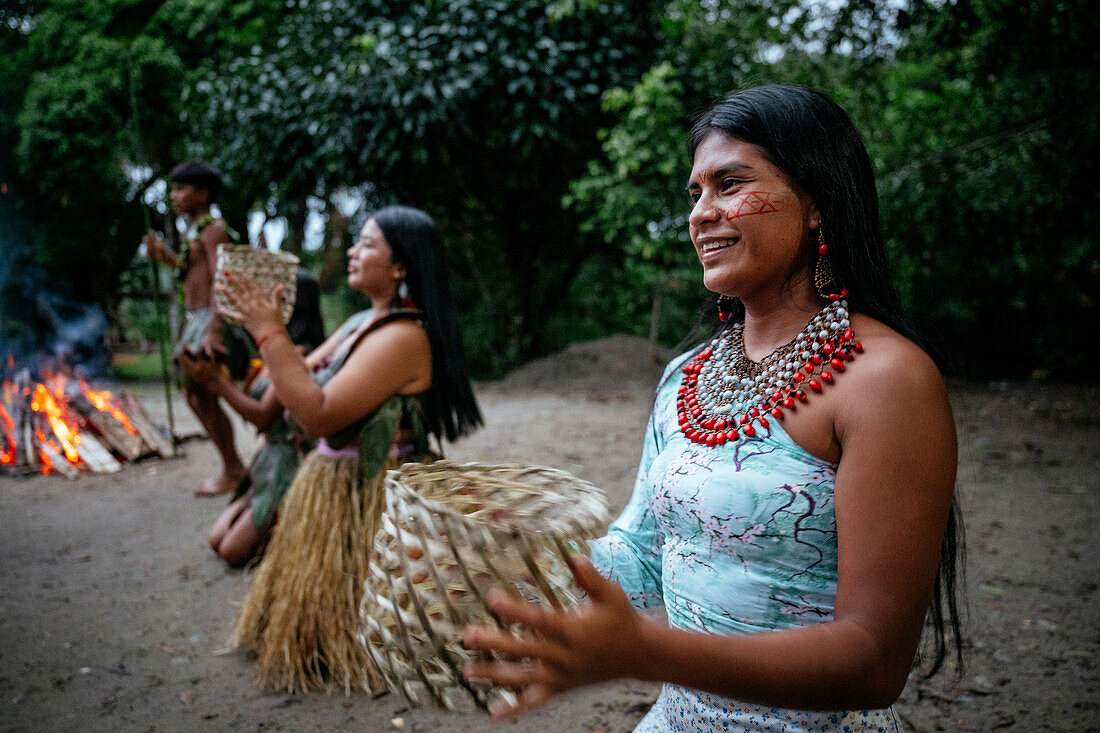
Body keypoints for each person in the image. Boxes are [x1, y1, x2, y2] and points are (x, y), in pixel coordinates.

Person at [461, 84, 963, 732]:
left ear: (816, 202)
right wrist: (520, 563)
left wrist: (647, 651)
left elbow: (873, 660)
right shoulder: (684, 376)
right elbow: (640, 555)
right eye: (695, 193)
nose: (701, 213)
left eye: (729, 184)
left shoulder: (886, 381)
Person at [218, 205, 483, 693]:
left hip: (374, 488)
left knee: (378, 626)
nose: (353, 252)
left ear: (400, 266)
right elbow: (291, 383)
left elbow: (317, 412)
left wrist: (269, 331)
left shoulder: (403, 335)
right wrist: (258, 329)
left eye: (366, 244)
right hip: (335, 479)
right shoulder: (361, 322)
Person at [183, 268, 328, 566]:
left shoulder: (298, 356)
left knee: (232, 551)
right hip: (269, 460)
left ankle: (302, 530)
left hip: (291, 463)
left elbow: (263, 417)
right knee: (216, 539)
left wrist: (218, 384)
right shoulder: (269, 352)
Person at [143, 161, 254, 497]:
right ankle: (232, 466)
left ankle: (235, 468)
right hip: (196, 321)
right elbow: (192, 273)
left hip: (208, 320)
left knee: (205, 391)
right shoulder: (194, 230)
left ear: (203, 193)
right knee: (195, 395)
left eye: (181, 189)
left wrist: (215, 329)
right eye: (173, 189)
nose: (174, 196)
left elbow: (223, 277)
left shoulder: (214, 229)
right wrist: (164, 256)